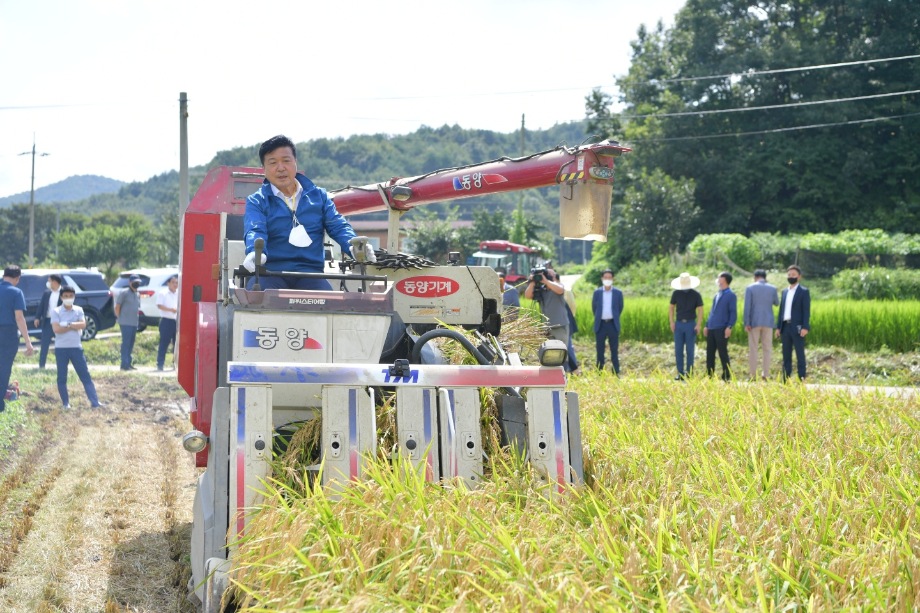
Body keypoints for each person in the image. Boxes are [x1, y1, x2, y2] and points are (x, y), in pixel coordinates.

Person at [242, 135, 374, 291]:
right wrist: (255, 252)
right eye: (272, 162)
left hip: (311, 274)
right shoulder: (257, 201)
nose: (280, 168)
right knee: (258, 296)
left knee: (327, 300)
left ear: (295, 162)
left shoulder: (319, 197)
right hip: (270, 273)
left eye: (286, 160)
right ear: (263, 169)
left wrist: (353, 245)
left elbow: (338, 226)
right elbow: (255, 229)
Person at [51, 285, 103, 409]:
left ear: (74, 297)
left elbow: (83, 324)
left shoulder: (79, 310)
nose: (68, 298)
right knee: (62, 377)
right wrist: (74, 326)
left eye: (71, 296)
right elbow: (56, 329)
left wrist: (67, 324)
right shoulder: (56, 311)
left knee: (85, 375)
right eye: (66, 296)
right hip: (61, 349)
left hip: (76, 348)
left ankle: (95, 402)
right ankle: (65, 403)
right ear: (61, 297)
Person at [523, 263, 571, 369]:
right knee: (548, 354)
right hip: (547, 327)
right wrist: (532, 282)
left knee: (561, 353)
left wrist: (546, 281)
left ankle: (563, 374)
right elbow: (527, 295)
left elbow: (560, 289)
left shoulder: (557, 287)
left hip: (560, 326)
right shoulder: (541, 290)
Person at [1, 265, 35, 412]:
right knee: (4, 368)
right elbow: (19, 317)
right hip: (8, 334)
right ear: (17, 278)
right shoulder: (16, 292)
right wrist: (28, 341)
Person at [775, 265, 810, 381]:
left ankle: (801, 379)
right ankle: (786, 380)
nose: (791, 277)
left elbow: (806, 311)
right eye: (789, 275)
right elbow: (781, 310)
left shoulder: (803, 291)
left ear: (799, 277)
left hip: (798, 327)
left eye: (793, 275)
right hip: (785, 327)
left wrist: (805, 327)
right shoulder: (785, 292)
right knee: (786, 355)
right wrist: (778, 327)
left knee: (800, 354)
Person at [743, 269, 779, 380]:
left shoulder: (750, 288)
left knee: (753, 348)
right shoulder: (772, 288)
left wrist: (747, 322)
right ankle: (766, 374)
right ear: (765, 277)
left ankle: (753, 375)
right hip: (768, 322)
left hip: (754, 322)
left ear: (755, 277)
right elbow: (776, 303)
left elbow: (747, 307)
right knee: (767, 349)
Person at [668, 272, 703, 380]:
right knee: (678, 349)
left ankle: (689, 372)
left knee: (690, 350)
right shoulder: (676, 293)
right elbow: (671, 307)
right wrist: (671, 322)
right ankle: (680, 373)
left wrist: (698, 324)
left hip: (691, 324)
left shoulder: (696, 294)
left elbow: (700, 310)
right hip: (679, 324)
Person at [703, 272, 737, 381]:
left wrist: (729, 326)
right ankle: (709, 375)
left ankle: (726, 375)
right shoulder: (717, 294)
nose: (718, 280)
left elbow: (733, 313)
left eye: (720, 278)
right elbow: (712, 312)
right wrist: (707, 325)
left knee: (722, 352)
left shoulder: (731, 295)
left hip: (722, 328)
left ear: (725, 280)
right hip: (712, 327)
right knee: (710, 353)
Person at [592, 269, 624, 374]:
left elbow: (620, 308)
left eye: (609, 278)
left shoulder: (618, 293)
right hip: (600, 324)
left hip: (612, 324)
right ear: (602, 279)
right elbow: (594, 308)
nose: (607, 280)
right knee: (600, 350)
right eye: (605, 277)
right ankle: (599, 372)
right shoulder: (597, 293)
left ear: (613, 279)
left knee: (614, 350)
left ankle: (616, 372)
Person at [34, 273, 63, 369]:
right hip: (47, 321)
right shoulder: (47, 293)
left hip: (59, 322)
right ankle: (41, 366)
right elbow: (41, 306)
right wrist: (37, 317)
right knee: (44, 344)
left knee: (60, 344)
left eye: (49, 281)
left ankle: (61, 365)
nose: (48, 283)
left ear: (55, 282)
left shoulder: (64, 292)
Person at [115, 274, 141, 371]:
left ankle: (129, 363)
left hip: (134, 323)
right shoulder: (124, 293)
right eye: (135, 282)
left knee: (131, 343)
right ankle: (124, 365)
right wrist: (120, 318)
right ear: (130, 282)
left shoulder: (137, 294)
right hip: (125, 322)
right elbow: (117, 307)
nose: (136, 284)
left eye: (138, 282)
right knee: (126, 343)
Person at [155, 275, 179, 371]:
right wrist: (170, 310)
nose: (175, 284)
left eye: (176, 283)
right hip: (166, 321)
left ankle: (175, 364)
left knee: (176, 344)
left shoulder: (179, 293)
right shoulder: (163, 293)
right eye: (173, 282)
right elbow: (159, 305)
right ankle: (160, 364)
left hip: (176, 322)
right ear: (168, 283)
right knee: (164, 343)